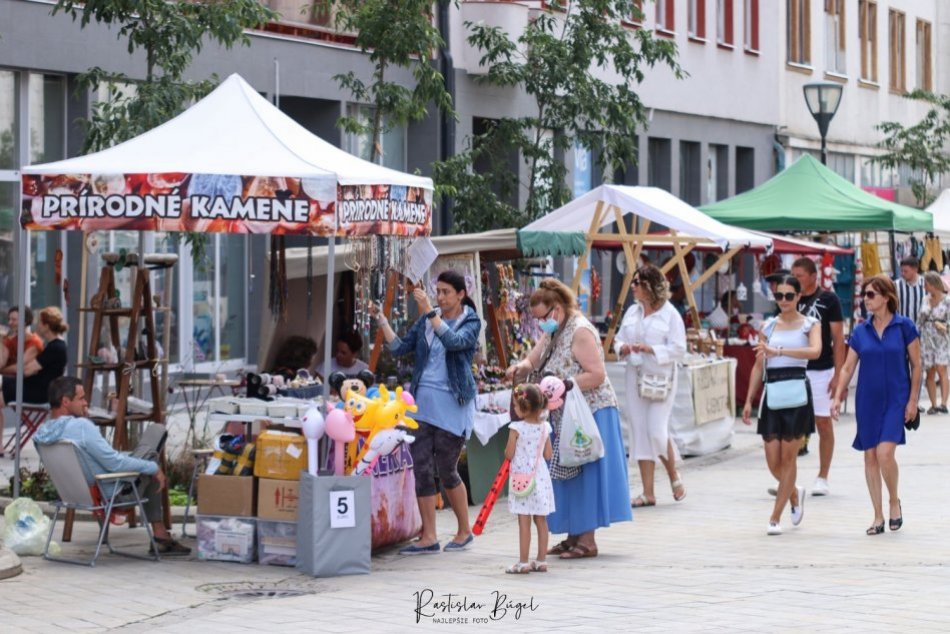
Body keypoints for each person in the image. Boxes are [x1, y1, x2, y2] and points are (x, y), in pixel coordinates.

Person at [505, 278, 630, 559]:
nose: (541, 324)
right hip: (565, 415)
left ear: (557, 308)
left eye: (543, 318)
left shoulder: (580, 330)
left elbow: (597, 374)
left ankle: (587, 540)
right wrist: (520, 368)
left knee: (586, 473)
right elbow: (534, 359)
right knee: (568, 474)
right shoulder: (555, 329)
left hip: (590, 413)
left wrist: (566, 384)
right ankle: (573, 535)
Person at [372, 271, 482, 555]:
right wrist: (382, 320)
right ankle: (429, 536)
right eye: (438, 291)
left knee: (446, 468)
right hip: (422, 405)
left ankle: (464, 531)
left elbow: (454, 342)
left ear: (461, 294)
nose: (440, 297)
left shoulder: (471, 321)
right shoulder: (426, 320)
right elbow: (399, 348)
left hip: (453, 405)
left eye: (446, 292)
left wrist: (431, 312)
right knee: (420, 467)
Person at [33, 376, 190, 554]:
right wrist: (154, 469)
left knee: (142, 462)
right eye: (81, 398)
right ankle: (161, 536)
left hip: (75, 495)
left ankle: (160, 536)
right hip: (116, 494)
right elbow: (115, 464)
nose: (86, 403)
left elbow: (94, 461)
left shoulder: (41, 434)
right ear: (65, 401)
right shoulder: (81, 427)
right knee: (155, 438)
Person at [831, 275, 920, 536]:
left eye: (870, 294)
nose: (866, 299)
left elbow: (917, 366)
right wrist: (837, 396)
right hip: (867, 401)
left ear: (886, 296)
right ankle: (878, 515)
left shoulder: (905, 326)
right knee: (869, 456)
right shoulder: (861, 331)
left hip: (896, 399)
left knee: (884, 454)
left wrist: (913, 400)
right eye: (864, 295)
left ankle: (893, 500)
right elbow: (847, 367)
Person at [742, 276, 821, 535]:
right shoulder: (768, 326)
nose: (784, 301)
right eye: (779, 296)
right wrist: (748, 400)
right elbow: (758, 365)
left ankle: (775, 517)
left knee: (788, 459)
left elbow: (815, 351)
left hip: (796, 390)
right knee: (772, 460)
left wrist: (780, 351)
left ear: (798, 296)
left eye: (789, 295)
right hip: (772, 392)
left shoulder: (810, 324)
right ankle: (794, 493)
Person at [614, 264, 687, 507]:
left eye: (637, 283)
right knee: (639, 429)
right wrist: (623, 348)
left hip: (661, 378)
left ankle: (673, 475)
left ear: (650, 286)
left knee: (656, 430)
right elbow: (618, 339)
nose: (633, 287)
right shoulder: (632, 312)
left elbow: (679, 349)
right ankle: (648, 492)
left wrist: (651, 349)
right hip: (635, 376)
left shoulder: (670, 315)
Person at [791, 257, 844, 496]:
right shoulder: (789, 297)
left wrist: (839, 375)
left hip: (822, 368)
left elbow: (838, 339)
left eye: (800, 276)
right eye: (793, 276)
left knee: (822, 422)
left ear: (813, 276)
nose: (796, 280)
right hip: (795, 367)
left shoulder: (829, 300)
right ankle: (787, 476)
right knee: (791, 425)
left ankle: (823, 476)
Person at [0, 306, 69, 455]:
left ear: (46, 325)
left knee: (5, 386)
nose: (37, 325)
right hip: (36, 388)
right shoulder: (56, 345)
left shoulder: (55, 347)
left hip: (39, 393)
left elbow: (26, 370)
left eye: (40, 322)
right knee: (6, 383)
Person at [503, 383, 555, 574]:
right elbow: (548, 455)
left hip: (521, 478)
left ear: (523, 408)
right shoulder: (545, 428)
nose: (514, 409)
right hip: (540, 477)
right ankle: (541, 560)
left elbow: (509, 454)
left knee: (523, 520)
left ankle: (523, 562)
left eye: (516, 406)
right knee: (541, 520)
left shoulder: (516, 428)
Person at [917, 271, 950, 414]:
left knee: (942, 369)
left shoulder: (947, 300)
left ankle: (943, 403)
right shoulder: (925, 299)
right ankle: (933, 404)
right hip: (927, 337)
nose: (924, 287)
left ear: (933, 284)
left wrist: (944, 326)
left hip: (941, 337)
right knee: (929, 371)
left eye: (926, 284)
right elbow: (919, 320)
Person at [0, 306, 44, 376]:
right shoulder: (10, 340)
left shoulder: (34, 342)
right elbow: (1, 364)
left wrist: (1, 371)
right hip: (9, 380)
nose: (10, 322)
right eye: (9, 319)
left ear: (25, 322)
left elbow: (19, 367)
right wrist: (1, 341)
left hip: (26, 381)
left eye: (14, 320)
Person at [896, 256, 925, 324]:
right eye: (901, 271)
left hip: (922, 326)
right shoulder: (896, 285)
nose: (902, 274)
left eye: (906, 271)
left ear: (915, 270)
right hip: (903, 326)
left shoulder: (926, 284)